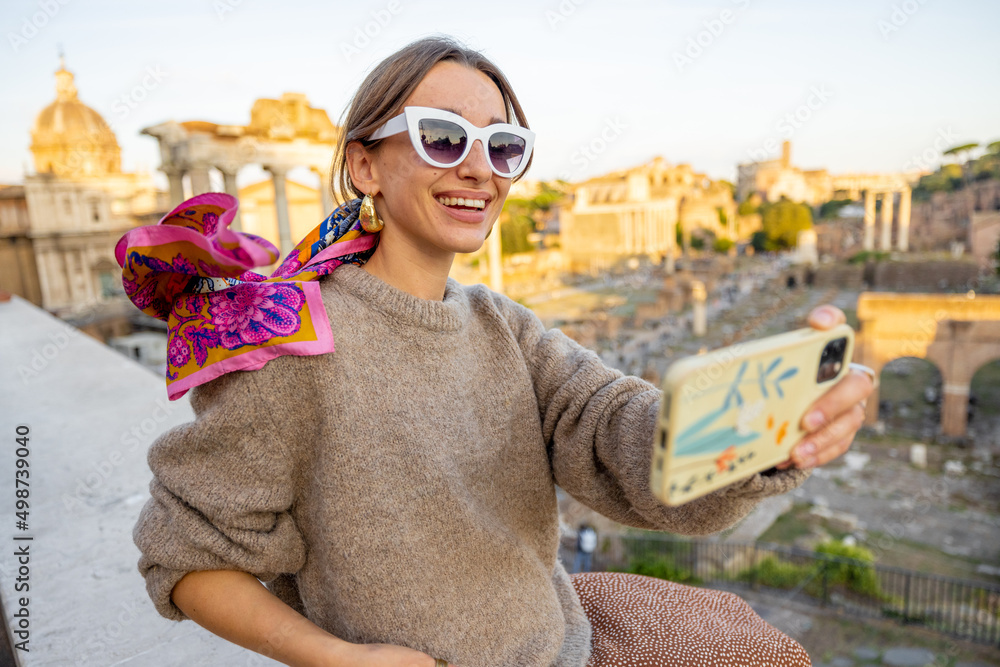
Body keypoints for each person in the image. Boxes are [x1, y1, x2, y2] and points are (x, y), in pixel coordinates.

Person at [125, 36, 874, 667]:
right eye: (443, 137)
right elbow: (188, 554)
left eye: (503, 146)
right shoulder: (290, 339)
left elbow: (616, 429)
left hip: (560, 646)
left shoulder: (503, 324)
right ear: (364, 166)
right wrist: (341, 658)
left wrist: (762, 428)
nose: (481, 169)